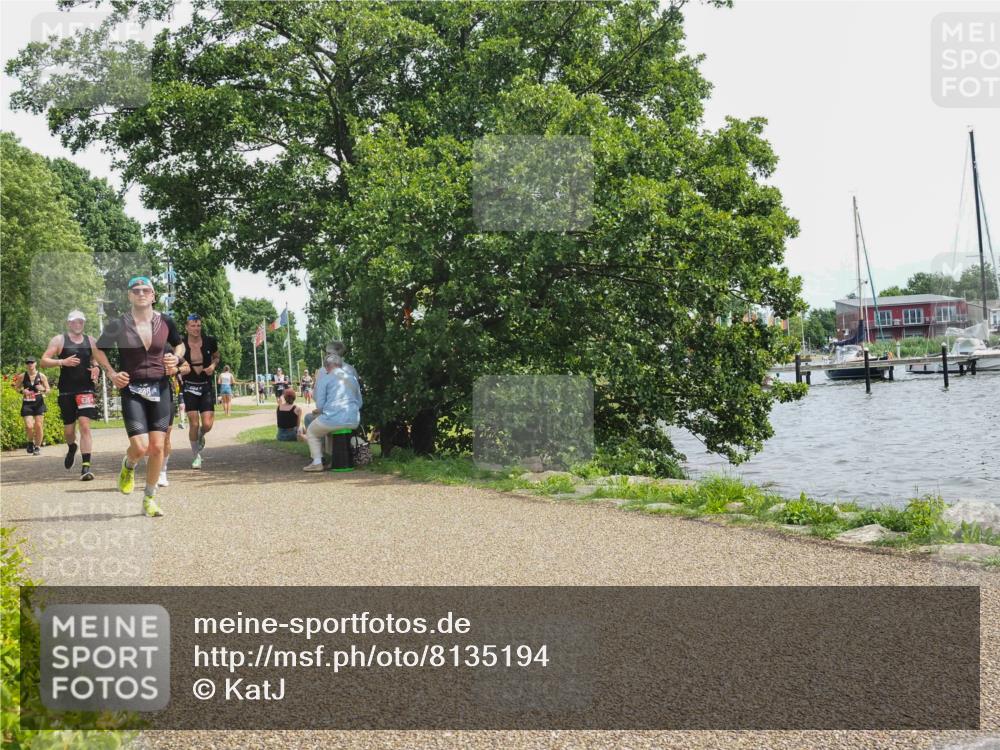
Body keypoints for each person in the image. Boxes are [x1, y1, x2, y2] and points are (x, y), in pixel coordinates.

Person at [93, 276, 184, 518]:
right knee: (140, 446)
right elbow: (98, 348)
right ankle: (128, 465)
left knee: (157, 447)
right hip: (132, 389)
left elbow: (180, 345)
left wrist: (175, 357)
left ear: (154, 296)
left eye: (146, 290)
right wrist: (111, 373)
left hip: (161, 388)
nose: (141, 293)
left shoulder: (165, 321)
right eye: (136, 290)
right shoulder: (118, 324)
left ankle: (149, 498)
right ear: (130, 296)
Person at [40, 310, 100, 479]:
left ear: (84, 323)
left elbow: (97, 360)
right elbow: (44, 361)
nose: (78, 324)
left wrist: (96, 368)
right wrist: (62, 362)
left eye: (81, 321)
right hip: (66, 391)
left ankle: (86, 467)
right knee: (69, 431)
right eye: (74, 322)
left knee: (85, 425)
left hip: (86, 389)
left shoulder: (91, 341)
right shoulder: (59, 340)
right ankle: (72, 446)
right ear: (69, 323)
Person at [303, 353, 362, 472]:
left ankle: (317, 462)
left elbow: (320, 405)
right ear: (340, 365)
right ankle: (334, 460)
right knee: (331, 430)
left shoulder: (325, 378)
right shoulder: (352, 378)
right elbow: (359, 402)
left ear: (326, 367)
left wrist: (326, 410)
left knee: (312, 432)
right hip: (354, 419)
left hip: (334, 418)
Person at [180, 313, 219, 469]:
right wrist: (179, 369)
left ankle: (201, 435)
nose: (196, 328)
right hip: (189, 385)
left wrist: (213, 366)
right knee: (194, 424)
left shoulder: (210, 341)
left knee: (207, 424)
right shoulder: (181, 344)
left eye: (198, 326)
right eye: (193, 326)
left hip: (205, 385)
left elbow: (216, 357)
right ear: (187, 327)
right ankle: (196, 456)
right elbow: (175, 359)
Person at [159, 359, 191, 488]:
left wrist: (176, 369)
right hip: (143, 396)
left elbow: (187, 367)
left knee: (166, 436)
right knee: (148, 438)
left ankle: (162, 471)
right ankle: (152, 471)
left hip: (166, 395)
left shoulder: (170, 348)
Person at [14, 356, 50, 455]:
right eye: (28, 363)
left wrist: (42, 389)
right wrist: (22, 391)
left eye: (32, 362)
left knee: (38, 425)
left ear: (35, 364)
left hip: (38, 402)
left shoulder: (41, 376)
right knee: (29, 426)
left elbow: (48, 390)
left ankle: (37, 447)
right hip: (27, 403)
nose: (30, 364)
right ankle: (30, 442)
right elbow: (16, 388)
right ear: (26, 364)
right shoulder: (22, 376)